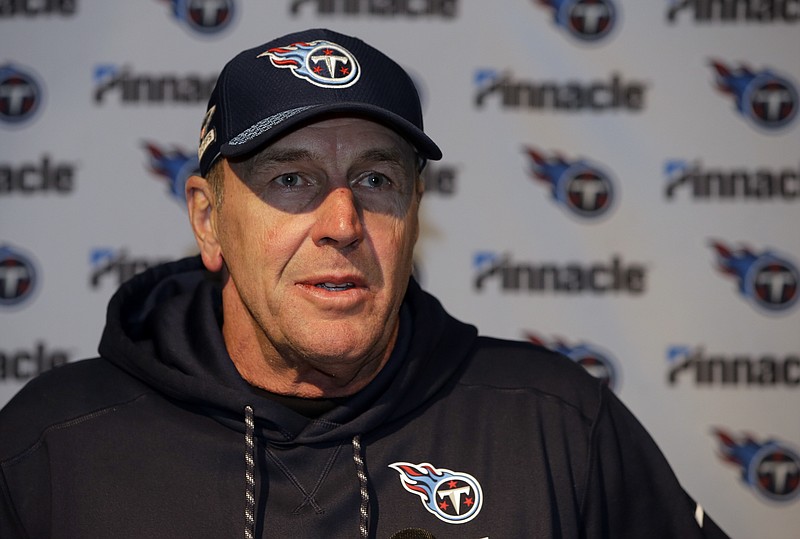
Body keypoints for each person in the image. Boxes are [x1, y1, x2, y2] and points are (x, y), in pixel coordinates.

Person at [0, 28, 729, 538]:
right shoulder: (54, 446)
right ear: (208, 218)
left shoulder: (556, 424)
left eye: (376, 178)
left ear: (414, 212)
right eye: (292, 178)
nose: (342, 222)